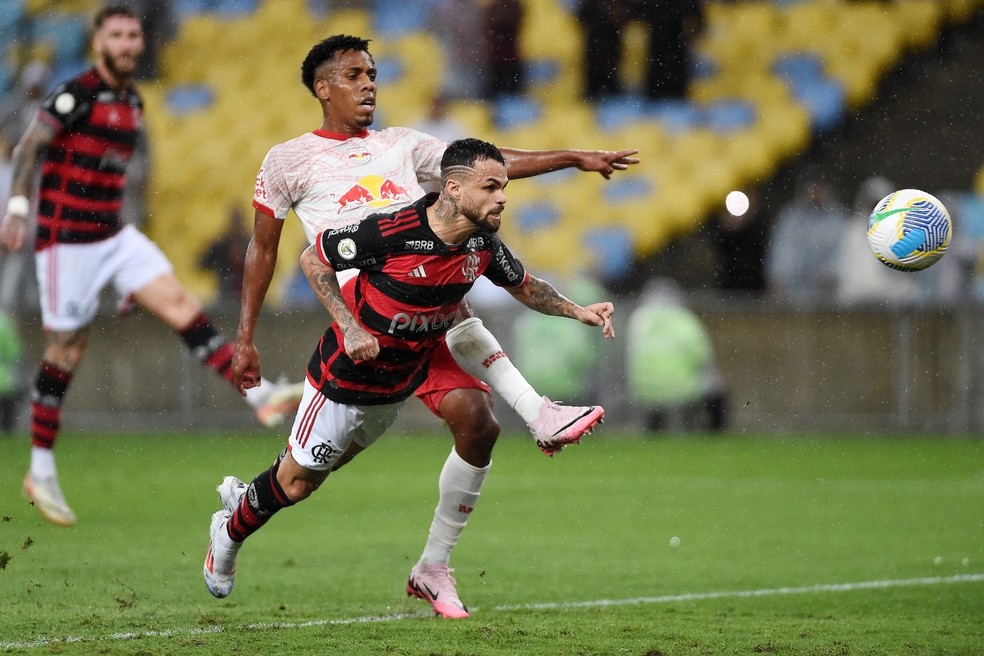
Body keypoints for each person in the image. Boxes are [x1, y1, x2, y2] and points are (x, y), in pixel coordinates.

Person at [232, 34, 638, 618]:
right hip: (367, 308)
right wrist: (245, 337)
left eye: (372, 73)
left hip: (425, 300)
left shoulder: (404, 145)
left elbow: (482, 168)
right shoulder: (287, 160)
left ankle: (433, 566)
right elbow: (263, 248)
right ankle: (240, 514)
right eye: (353, 75)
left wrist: (571, 158)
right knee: (302, 479)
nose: (369, 83)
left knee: (477, 423)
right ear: (323, 87)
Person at [0, 5, 302, 528]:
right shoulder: (78, 94)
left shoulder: (132, 102)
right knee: (67, 349)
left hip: (114, 236)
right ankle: (42, 468)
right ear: (98, 44)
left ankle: (261, 397)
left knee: (182, 303)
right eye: (116, 34)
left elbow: (121, 184)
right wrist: (20, 207)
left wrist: (123, 272)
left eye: (133, 35)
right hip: (65, 242)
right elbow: (30, 147)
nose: (127, 43)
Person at [625, 278, 727, 432]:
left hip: (645, 389)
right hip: (683, 388)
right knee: (716, 390)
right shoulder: (684, 320)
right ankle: (712, 433)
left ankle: (654, 430)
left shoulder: (638, 320)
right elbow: (702, 356)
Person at [765, 169, 850, 305]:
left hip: (828, 296)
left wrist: (829, 273)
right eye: (812, 189)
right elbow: (782, 250)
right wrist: (780, 277)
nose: (815, 194)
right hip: (793, 295)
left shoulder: (837, 219)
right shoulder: (790, 218)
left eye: (819, 189)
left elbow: (843, 253)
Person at [200, 203, 251, 306]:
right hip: (225, 294)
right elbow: (203, 264)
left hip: (248, 294)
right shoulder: (221, 245)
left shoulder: (252, 244)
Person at [0, 308, 22, 434]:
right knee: (8, 421)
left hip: (5, 380)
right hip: (5, 380)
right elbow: (15, 352)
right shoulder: (4, 322)